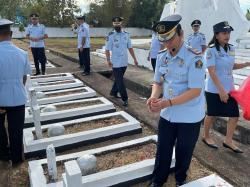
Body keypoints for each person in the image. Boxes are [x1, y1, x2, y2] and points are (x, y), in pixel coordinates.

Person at [146, 14, 205, 187]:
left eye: (170, 39)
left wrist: (167, 102)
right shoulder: (163, 56)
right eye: (163, 40)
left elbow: (195, 90)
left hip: (189, 114)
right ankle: (158, 179)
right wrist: (153, 97)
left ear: (181, 34)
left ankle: (180, 178)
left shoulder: (195, 58)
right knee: (163, 147)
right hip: (168, 113)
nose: (167, 44)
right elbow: (158, 81)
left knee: (184, 150)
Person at [202, 21, 250, 153]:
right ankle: (206, 136)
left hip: (229, 88)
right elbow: (211, 71)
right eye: (224, 33)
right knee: (211, 114)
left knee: (234, 115)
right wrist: (221, 91)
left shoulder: (231, 48)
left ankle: (228, 140)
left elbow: (231, 66)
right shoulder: (211, 50)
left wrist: (246, 64)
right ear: (217, 35)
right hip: (214, 89)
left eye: (228, 32)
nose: (227, 35)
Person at [0, 19, 31, 166]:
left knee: (0, 130)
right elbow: (24, 76)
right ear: (11, 34)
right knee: (16, 130)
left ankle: (4, 155)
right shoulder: (22, 53)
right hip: (18, 97)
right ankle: (17, 158)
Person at [105, 16, 138, 107]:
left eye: (118, 24)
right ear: (113, 24)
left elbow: (130, 47)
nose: (117, 25)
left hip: (124, 62)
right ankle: (125, 98)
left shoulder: (126, 34)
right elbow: (107, 50)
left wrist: (134, 59)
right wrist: (108, 60)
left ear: (121, 24)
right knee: (120, 81)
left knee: (118, 79)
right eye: (115, 24)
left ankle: (113, 92)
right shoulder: (110, 35)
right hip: (115, 63)